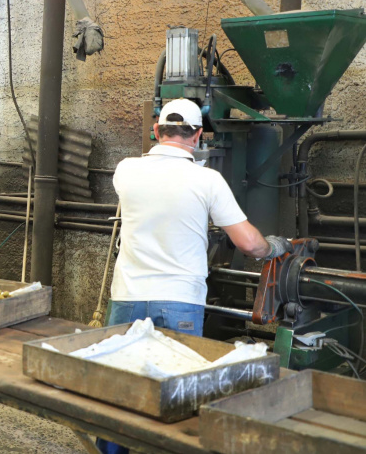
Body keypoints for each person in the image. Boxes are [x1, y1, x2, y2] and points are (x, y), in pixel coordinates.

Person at [97, 98, 292, 454]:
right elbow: (249, 244)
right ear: (199, 135)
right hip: (180, 300)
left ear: (156, 130)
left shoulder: (125, 170)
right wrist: (274, 247)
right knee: (176, 394)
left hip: (127, 294)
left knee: (118, 390)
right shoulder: (208, 179)